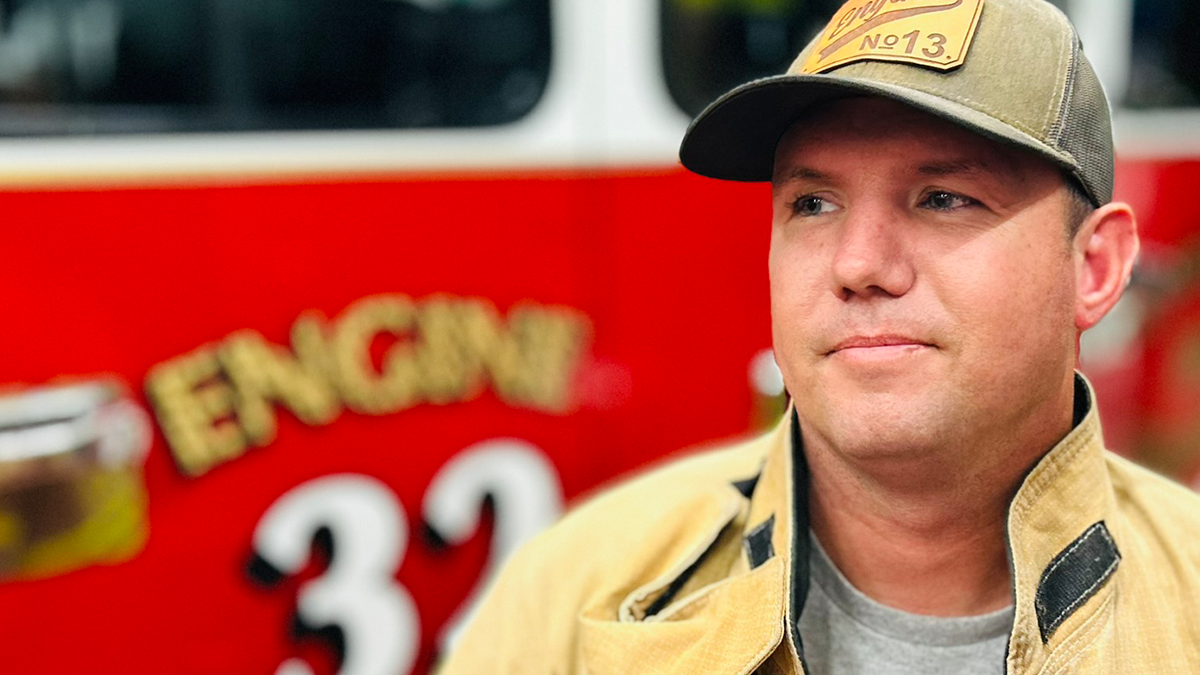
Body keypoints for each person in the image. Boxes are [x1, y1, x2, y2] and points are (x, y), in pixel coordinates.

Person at [438, 0, 1200, 672]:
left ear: (1094, 267)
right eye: (812, 204)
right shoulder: (575, 593)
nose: (859, 264)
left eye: (943, 198)